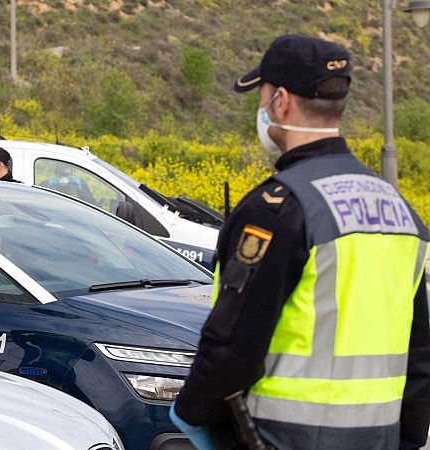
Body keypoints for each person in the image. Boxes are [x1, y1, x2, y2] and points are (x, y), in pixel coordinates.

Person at [170, 35, 430, 450]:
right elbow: (418, 354)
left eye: (261, 96)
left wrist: (190, 411)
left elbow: (236, 345)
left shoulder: (277, 209)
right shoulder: (401, 212)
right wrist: (409, 440)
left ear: (281, 101)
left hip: (282, 438)